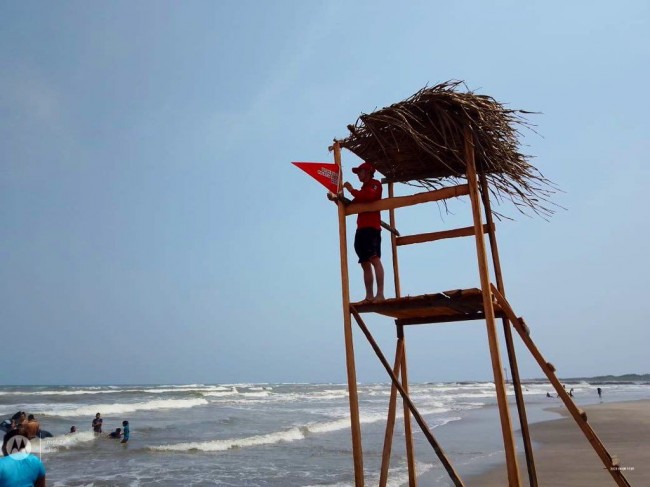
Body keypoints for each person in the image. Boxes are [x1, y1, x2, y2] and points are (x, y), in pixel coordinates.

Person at [343, 161, 385, 303]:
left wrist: (351, 190)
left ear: (367, 172)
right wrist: (337, 200)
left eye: (360, 172)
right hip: (361, 229)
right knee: (364, 262)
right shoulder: (363, 190)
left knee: (374, 259)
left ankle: (380, 294)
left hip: (371, 228)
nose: (358, 175)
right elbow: (352, 204)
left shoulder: (375, 184)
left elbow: (369, 197)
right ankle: (369, 296)